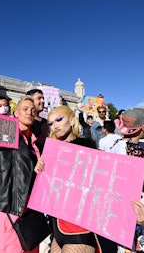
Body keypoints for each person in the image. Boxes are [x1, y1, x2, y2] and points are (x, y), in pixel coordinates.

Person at [44, 105, 117, 252]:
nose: (55, 126)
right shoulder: (49, 151)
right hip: (57, 226)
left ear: (72, 121)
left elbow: (103, 186)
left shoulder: (88, 148)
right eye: (51, 123)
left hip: (79, 226)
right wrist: (40, 169)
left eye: (59, 119)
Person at [0, 96, 44, 253]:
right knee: (12, 246)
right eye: (25, 109)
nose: (30, 112)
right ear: (15, 113)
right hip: (10, 201)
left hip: (30, 203)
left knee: (30, 244)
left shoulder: (34, 141)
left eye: (33, 110)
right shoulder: (3, 133)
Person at [109, 108, 144, 253]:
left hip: (116, 214)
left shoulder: (114, 146)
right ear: (143, 127)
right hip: (135, 216)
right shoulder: (135, 152)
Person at [26, 88, 49, 153]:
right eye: (39, 98)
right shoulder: (26, 122)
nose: (43, 101)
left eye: (43, 98)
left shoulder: (46, 122)